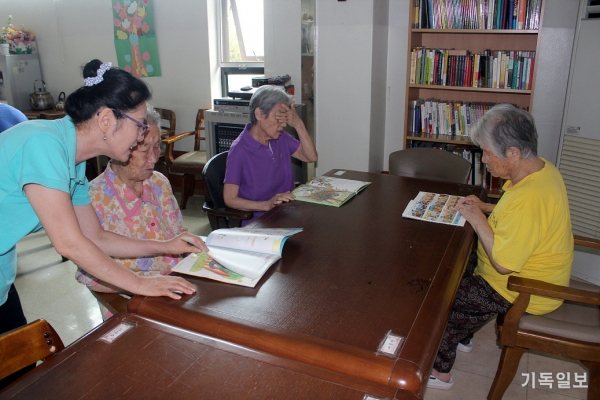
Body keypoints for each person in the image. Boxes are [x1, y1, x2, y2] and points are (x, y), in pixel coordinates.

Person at [0, 59, 208, 338]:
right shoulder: (43, 143)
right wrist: (139, 284)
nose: (141, 136)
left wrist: (165, 244)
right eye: (139, 126)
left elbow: (97, 238)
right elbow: (69, 244)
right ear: (107, 121)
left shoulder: (73, 166)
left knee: (17, 370)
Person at [427, 103, 573, 390]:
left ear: (514, 153)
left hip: (525, 288)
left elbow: (504, 264)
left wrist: (477, 217)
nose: (484, 160)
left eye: (488, 153)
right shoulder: (541, 170)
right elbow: (520, 215)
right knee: (459, 264)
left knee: (440, 297)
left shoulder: (531, 197)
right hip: (527, 274)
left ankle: (440, 373)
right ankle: (464, 336)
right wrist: (487, 206)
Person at [75, 104, 189, 319]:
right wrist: (145, 286)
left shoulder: (160, 183)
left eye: (158, 147)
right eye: (145, 149)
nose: (154, 158)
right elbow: (89, 276)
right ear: (123, 146)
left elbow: (178, 232)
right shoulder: (92, 198)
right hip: (134, 303)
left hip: (178, 289)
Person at [223, 85, 318, 225]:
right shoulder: (239, 150)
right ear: (259, 114)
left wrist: (299, 125)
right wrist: (266, 205)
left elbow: (311, 157)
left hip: (286, 213)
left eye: (286, 117)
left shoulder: (280, 138)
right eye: (279, 116)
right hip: (260, 222)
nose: (284, 124)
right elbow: (230, 199)